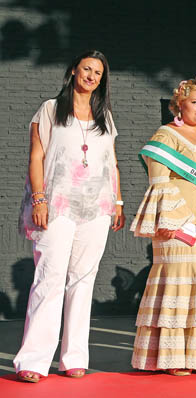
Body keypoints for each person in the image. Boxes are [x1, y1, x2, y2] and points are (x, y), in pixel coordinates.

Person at [14, 50, 125, 382]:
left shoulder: (104, 114)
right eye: (86, 69)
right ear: (74, 71)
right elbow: (37, 157)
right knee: (49, 278)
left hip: (96, 208)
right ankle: (33, 360)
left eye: (98, 73)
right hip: (56, 203)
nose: (91, 76)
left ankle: (74, 356)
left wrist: (117, 202)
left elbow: (112, 162)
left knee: (83, 280)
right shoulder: (50, 109)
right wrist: (38, 198)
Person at [130, 73, 196, 375]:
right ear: (180, 104)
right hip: (177, 224)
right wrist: (172, 221)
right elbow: (158, 182)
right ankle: (174, 357)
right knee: (179, 282)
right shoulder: (166, 135)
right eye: (194, 102)